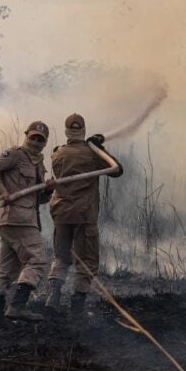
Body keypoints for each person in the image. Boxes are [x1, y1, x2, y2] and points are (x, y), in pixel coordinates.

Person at [45, 113, 123, 316]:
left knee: (61, 257)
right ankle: (77, 307)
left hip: (61, 213)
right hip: (84, 215)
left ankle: (53, 295)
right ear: (84, 130)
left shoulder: (57, 153)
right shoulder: (92, 154)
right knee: (86, 261)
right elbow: (117, 170)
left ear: (66, 131)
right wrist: (99, 147)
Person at [0, 121, 55, 324]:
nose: (35, 142)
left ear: (45, 142)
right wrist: (3, 191)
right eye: (33, 137)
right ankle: (17, 307)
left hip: (19, 220)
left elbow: (37, 199)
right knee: (38, 259)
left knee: (6, 269)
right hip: (17, 221)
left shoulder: (39, 165)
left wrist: (49, 189)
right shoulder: (15, 155)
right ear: (26, 136)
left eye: (40, 139)